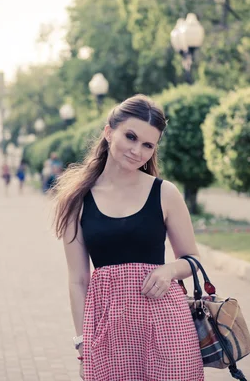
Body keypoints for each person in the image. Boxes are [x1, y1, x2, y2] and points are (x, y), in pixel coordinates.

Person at [52, 95, 205, 380]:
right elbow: (77, 280)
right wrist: (83, 343)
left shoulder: (165, 193)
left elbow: (192, 259)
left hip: (167, 326)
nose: (137, 150)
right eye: (130, 137)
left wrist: (169, 270)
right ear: (109, 131)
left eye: (148, 145)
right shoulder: (77, 200)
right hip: (109, 333)